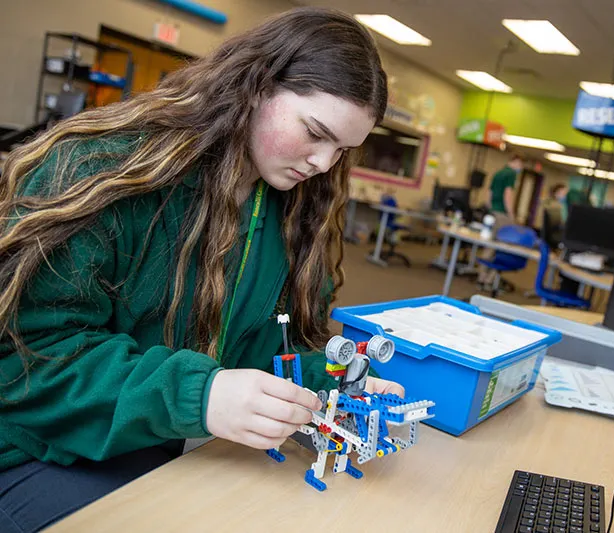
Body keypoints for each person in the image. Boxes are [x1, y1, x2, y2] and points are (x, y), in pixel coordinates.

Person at [0, 8, 403, 531]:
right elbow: (26, 359)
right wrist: (200, 395)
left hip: (149, 439)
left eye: (342, 150)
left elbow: (257, 348)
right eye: (314, 132)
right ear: (256, 87)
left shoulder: (286, 208)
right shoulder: (99, 171)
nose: (324, 164)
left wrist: (333, 383)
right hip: (32, 444)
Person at [476, 155, 523, 288]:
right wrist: (511, 214)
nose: (521, 168)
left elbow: (489, 193)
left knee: (490, 245)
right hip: (503, 214)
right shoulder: (511, 174)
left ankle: (481, 276)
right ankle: (490, 280)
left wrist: (490, 208)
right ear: (515, 162)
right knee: (501, 247)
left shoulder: (498, 173)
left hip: (493, 212)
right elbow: (508, 194)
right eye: (520, 164)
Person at [541, 183, 567, 249]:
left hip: (555, 233)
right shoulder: (552, 204)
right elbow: (557, 222)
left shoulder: (562, 205)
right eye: (562, 193)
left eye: (565, 193)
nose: (564, 195)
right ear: (556, 193)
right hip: (552, 234)